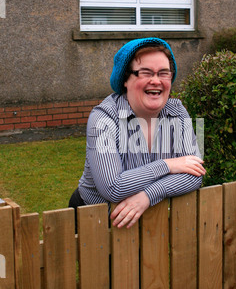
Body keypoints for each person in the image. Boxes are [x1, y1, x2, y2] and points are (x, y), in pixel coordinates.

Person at [69, 37, 206, 230]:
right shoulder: (103, 118)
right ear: (125, 79)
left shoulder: (176, 111)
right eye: (145, 72)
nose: (156, 81)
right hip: (97, 219)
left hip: (148, 215)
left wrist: (148, 195)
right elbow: (113, 188)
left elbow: (195, 175)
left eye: (164, 73)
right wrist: (169, 165)